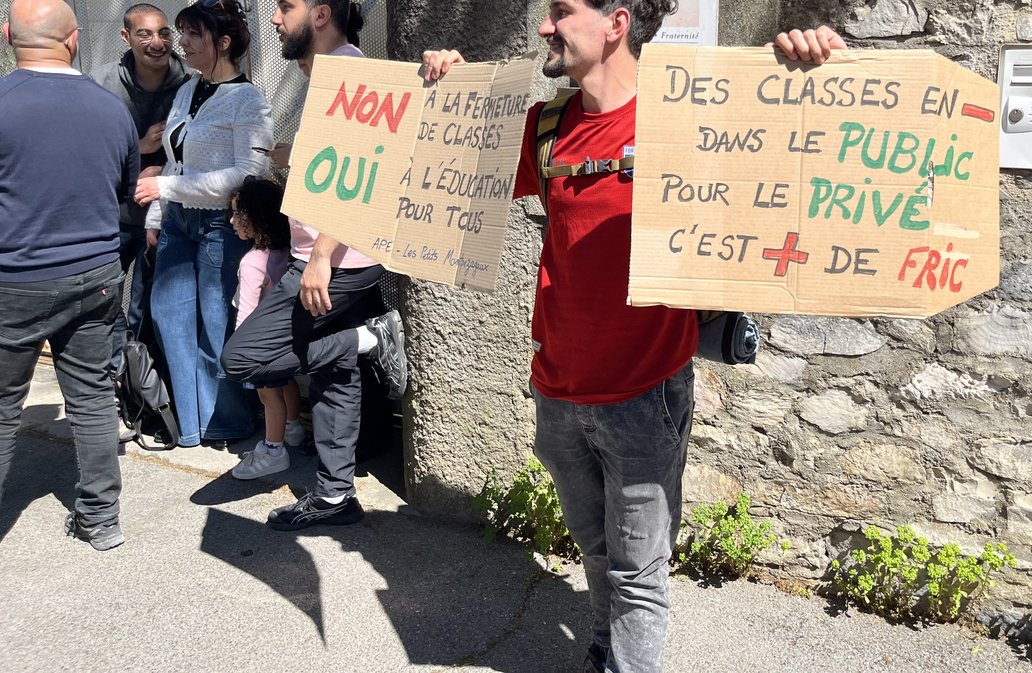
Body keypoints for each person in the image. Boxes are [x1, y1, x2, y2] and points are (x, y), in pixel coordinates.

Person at [421, 5, 846, 671]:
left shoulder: (692, 119)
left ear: (616, 22)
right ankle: (602, 648)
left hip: (645, 394)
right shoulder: (549, 125)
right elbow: (452, 166)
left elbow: (804, 160)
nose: (543, 27)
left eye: (562, 12)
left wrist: (815, 69)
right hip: (558, 391)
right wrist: (448, 93)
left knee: (639, 574)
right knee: (597, 550)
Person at [221, 0, 406, 531]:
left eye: (286, 7)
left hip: (334, 263)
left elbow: (368, 170)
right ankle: (333, 496)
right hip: (329, 257)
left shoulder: (351, 74)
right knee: (334, 377)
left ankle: (368, 339)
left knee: (243, 359)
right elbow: (338, 167)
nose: (275, 18)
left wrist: (321, 256)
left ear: (321, 13)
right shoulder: (327, 75)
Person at [0, 0, 140, 551]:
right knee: (90, 398)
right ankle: (101, 519)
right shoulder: (111, 109)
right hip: (97, 274)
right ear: (75, 40)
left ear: (8, 34)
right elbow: (124, 188)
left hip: (15, 278)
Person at [133, 0, 273, 449]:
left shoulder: (249, 99)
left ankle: (226, 421)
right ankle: (190, 425)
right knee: (169, 319)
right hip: (176, 224)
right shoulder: (186, 91)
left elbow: (245, 177)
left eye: (193, 34)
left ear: (223, 42)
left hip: (220, 225)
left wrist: (164, 193)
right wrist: (158, 216)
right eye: (182, 33)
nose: (183, 43)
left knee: (217, 325)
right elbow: (173, 163)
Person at [90, 3, 189, 393]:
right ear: (126, 37)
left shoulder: (190, 83)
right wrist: (140, 148)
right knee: (105, 304)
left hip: (166, 219)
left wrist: (160, 169)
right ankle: (111, 383)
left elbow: (199, 152)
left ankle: (145, 388)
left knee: (150, 308)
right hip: (110, 216)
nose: (156, 42)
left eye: (163, 33)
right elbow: (85, 151)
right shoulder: (100, 84)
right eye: (145, 33)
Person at [226, 177, 308, 479]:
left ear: (256, 218)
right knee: (286, 384)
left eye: (238, 214)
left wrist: (240, 350)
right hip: (284, 336)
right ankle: (293, 428)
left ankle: (274, 449)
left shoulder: (252, 262)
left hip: (259, 343)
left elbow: (246, 313)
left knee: (267, 395)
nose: (232, 220)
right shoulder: (290, 252)